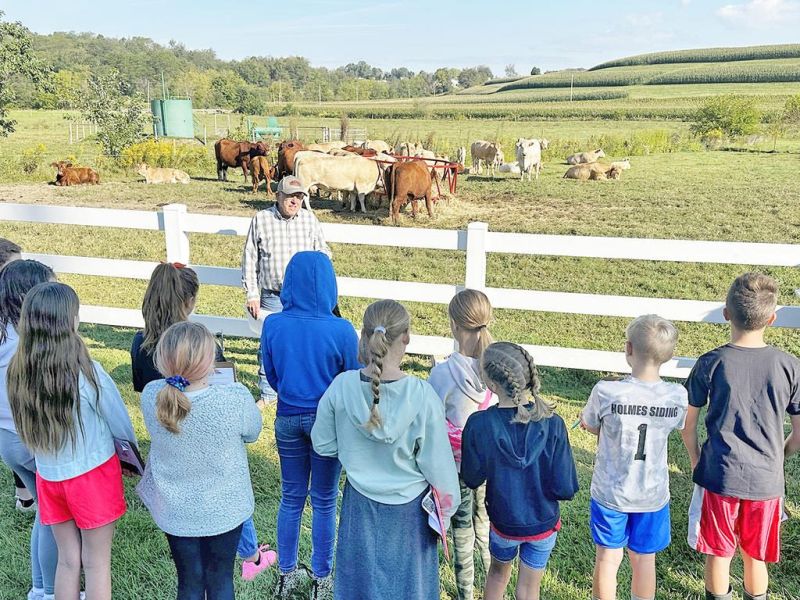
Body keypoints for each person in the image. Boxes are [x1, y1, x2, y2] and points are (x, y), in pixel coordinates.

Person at [130, 262, 272, 580]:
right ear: (190, 301)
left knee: (189, 580)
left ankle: (250, 552)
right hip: (216, 468)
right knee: (227, 482)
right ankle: (251, 554)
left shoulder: (141, 347)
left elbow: (145, 390)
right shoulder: (207, 348)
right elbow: (232, 404)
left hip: (172, 467)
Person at [311, 299, 460, 600]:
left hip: (359, 504)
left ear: (364, 336)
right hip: (410, 513)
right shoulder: (422, 396)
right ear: (405, 338)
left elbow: (323, 444)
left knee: (359, 587)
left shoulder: (342, 387)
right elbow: (441, 470)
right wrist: (447, 507)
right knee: (410, 588)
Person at [8, 282, 138, 600]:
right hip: (92, 475)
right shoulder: (87, 372)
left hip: (49, 478)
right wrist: (132, 454)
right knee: (96, 564)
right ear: (71, 322)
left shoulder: (18, 372)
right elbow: (119, 420)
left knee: (67, 562)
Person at [681, 273, 800, 600]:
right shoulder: (790, 366)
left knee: (719, 553)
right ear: (772, 319)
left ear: (726, 313)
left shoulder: (710, 363)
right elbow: (799, 435)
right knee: (755, 554)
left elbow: (687, 425)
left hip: (718, 475)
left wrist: (696, 462)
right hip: (766, 481)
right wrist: (779, 456)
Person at [136, 321, 264, 600]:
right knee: (220, 580)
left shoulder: (151, 396)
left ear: (162, 358)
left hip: (175, 510)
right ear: (210, 361)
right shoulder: (234, 397)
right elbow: (253, 431)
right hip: (225, 509)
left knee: (189, 581)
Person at [261, 251, 360, 599]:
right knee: (323, 500)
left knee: (291, 497)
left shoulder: (273, 324)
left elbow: (270, 375)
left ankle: (286, 574)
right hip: (328, 422)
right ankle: (322, 577)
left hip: (287, 415)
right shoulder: (343, 330)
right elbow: (352, 378)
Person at [580, 315, 688, 600]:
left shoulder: (606, 391)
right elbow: (674, 426)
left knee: (608, 558)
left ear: (628, 349)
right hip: (652, 495)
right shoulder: (676, 396)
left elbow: (590, 423)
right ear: (669, 355)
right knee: (644, 560)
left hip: (610, 493)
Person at [461, 342, 578, 600]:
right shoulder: (554, 423)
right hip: (543, 522)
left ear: (491, 385)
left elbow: (471, 477)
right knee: (529, 589)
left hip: (503, 523)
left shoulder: (480, 424)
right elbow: (565, 487)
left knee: (497, 575)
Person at [427, 289, 495, 600]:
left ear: (455, 326)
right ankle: (495, 582)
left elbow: (431, 415)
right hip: (491, 465)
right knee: (485, 523)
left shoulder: (443, 373)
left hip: (456, 468)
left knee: (461, 530)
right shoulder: (497, 367)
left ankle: (465, 592)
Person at [241, 176, 331, 403]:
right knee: (269, 341)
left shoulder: (310, 220)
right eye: (290, 196)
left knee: (306, 341)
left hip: (305, 296)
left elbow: (323, 252)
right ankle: (268, 393)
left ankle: (304, 388)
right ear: (277, 195)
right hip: (273, 293)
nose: (295, 201)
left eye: (299, 196)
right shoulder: (262, 219)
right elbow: (250, 258)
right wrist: (252, 293)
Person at [0, 260, 59, 600]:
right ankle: (51, 591)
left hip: (7, 440)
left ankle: (40, 588)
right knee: (55, 519)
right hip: (33, 439)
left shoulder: (4, 332)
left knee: (44, 514)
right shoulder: (28, 341)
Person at [0, 237, 34, 512]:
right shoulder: (17, 328)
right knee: (54, 515)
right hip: (26, 428)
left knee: (46, 512)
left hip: (8, 432)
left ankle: (24, 495)